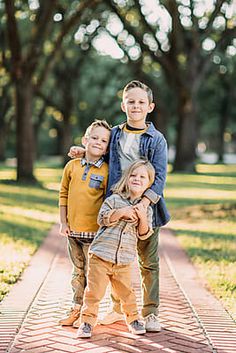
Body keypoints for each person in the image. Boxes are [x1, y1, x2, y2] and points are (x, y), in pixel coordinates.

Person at [69, 80, 170, 332]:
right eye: (131, 101)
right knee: (114, 259)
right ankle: (117, 309)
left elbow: (159, 177)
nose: (136, 106)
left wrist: (144, 206)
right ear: (123, 104)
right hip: (116, 203)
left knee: (148, 262)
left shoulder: (157, 140)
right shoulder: (114, 133)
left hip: (146, 209)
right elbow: (101, 151)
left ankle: (151, 312)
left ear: (150, 106)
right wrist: (84, 152)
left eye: (141, 102)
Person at [77, 159, 155, 338]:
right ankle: (87, 322)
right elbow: (102, 219)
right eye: (133, 175)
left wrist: (142, 217)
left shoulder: (146, 209)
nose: (137, 179)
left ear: (149, 183)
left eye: (142, 177)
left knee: (127, 293)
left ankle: (134, 319)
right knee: (94, 292)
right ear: (127, 178)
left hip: (124, 260)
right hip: (101, 256)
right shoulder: (114, 199)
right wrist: (122, 212)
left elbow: (144, 234)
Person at [59, 120, 111, 328]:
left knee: (93, 275)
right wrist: (63, 222)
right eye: (94, 137)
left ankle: (89, 314)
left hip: (95, 234)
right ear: (85, 140)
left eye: (104, 140)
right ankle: (76, 308)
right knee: (77, 272)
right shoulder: (71, 166)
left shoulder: (107, 171)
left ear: (107, 148)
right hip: (73, 231)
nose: (98, 142)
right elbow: (63, 194)